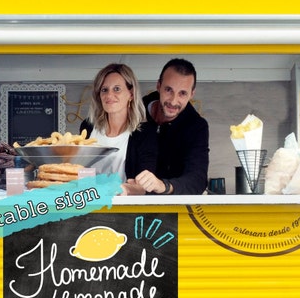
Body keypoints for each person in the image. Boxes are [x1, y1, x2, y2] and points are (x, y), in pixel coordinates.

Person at [80, 63, 157, 195]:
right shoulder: (88, 127)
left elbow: (144, 187)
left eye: (117, 89)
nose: (109, 95)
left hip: (124, 211)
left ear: (131, 94)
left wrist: (124, 189)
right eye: (104, 90)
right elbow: (81, 171)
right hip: (88, 205)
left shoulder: (145, 133)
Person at [135, 58, 209, 195]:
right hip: (124, 201)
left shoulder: (197, 127)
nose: (173, 101)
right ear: (158, 86)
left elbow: (197, 179)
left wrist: (164, 186)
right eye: (169, 90)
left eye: (182, 93)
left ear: (192, 94)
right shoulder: (134, 111)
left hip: (173, 209)